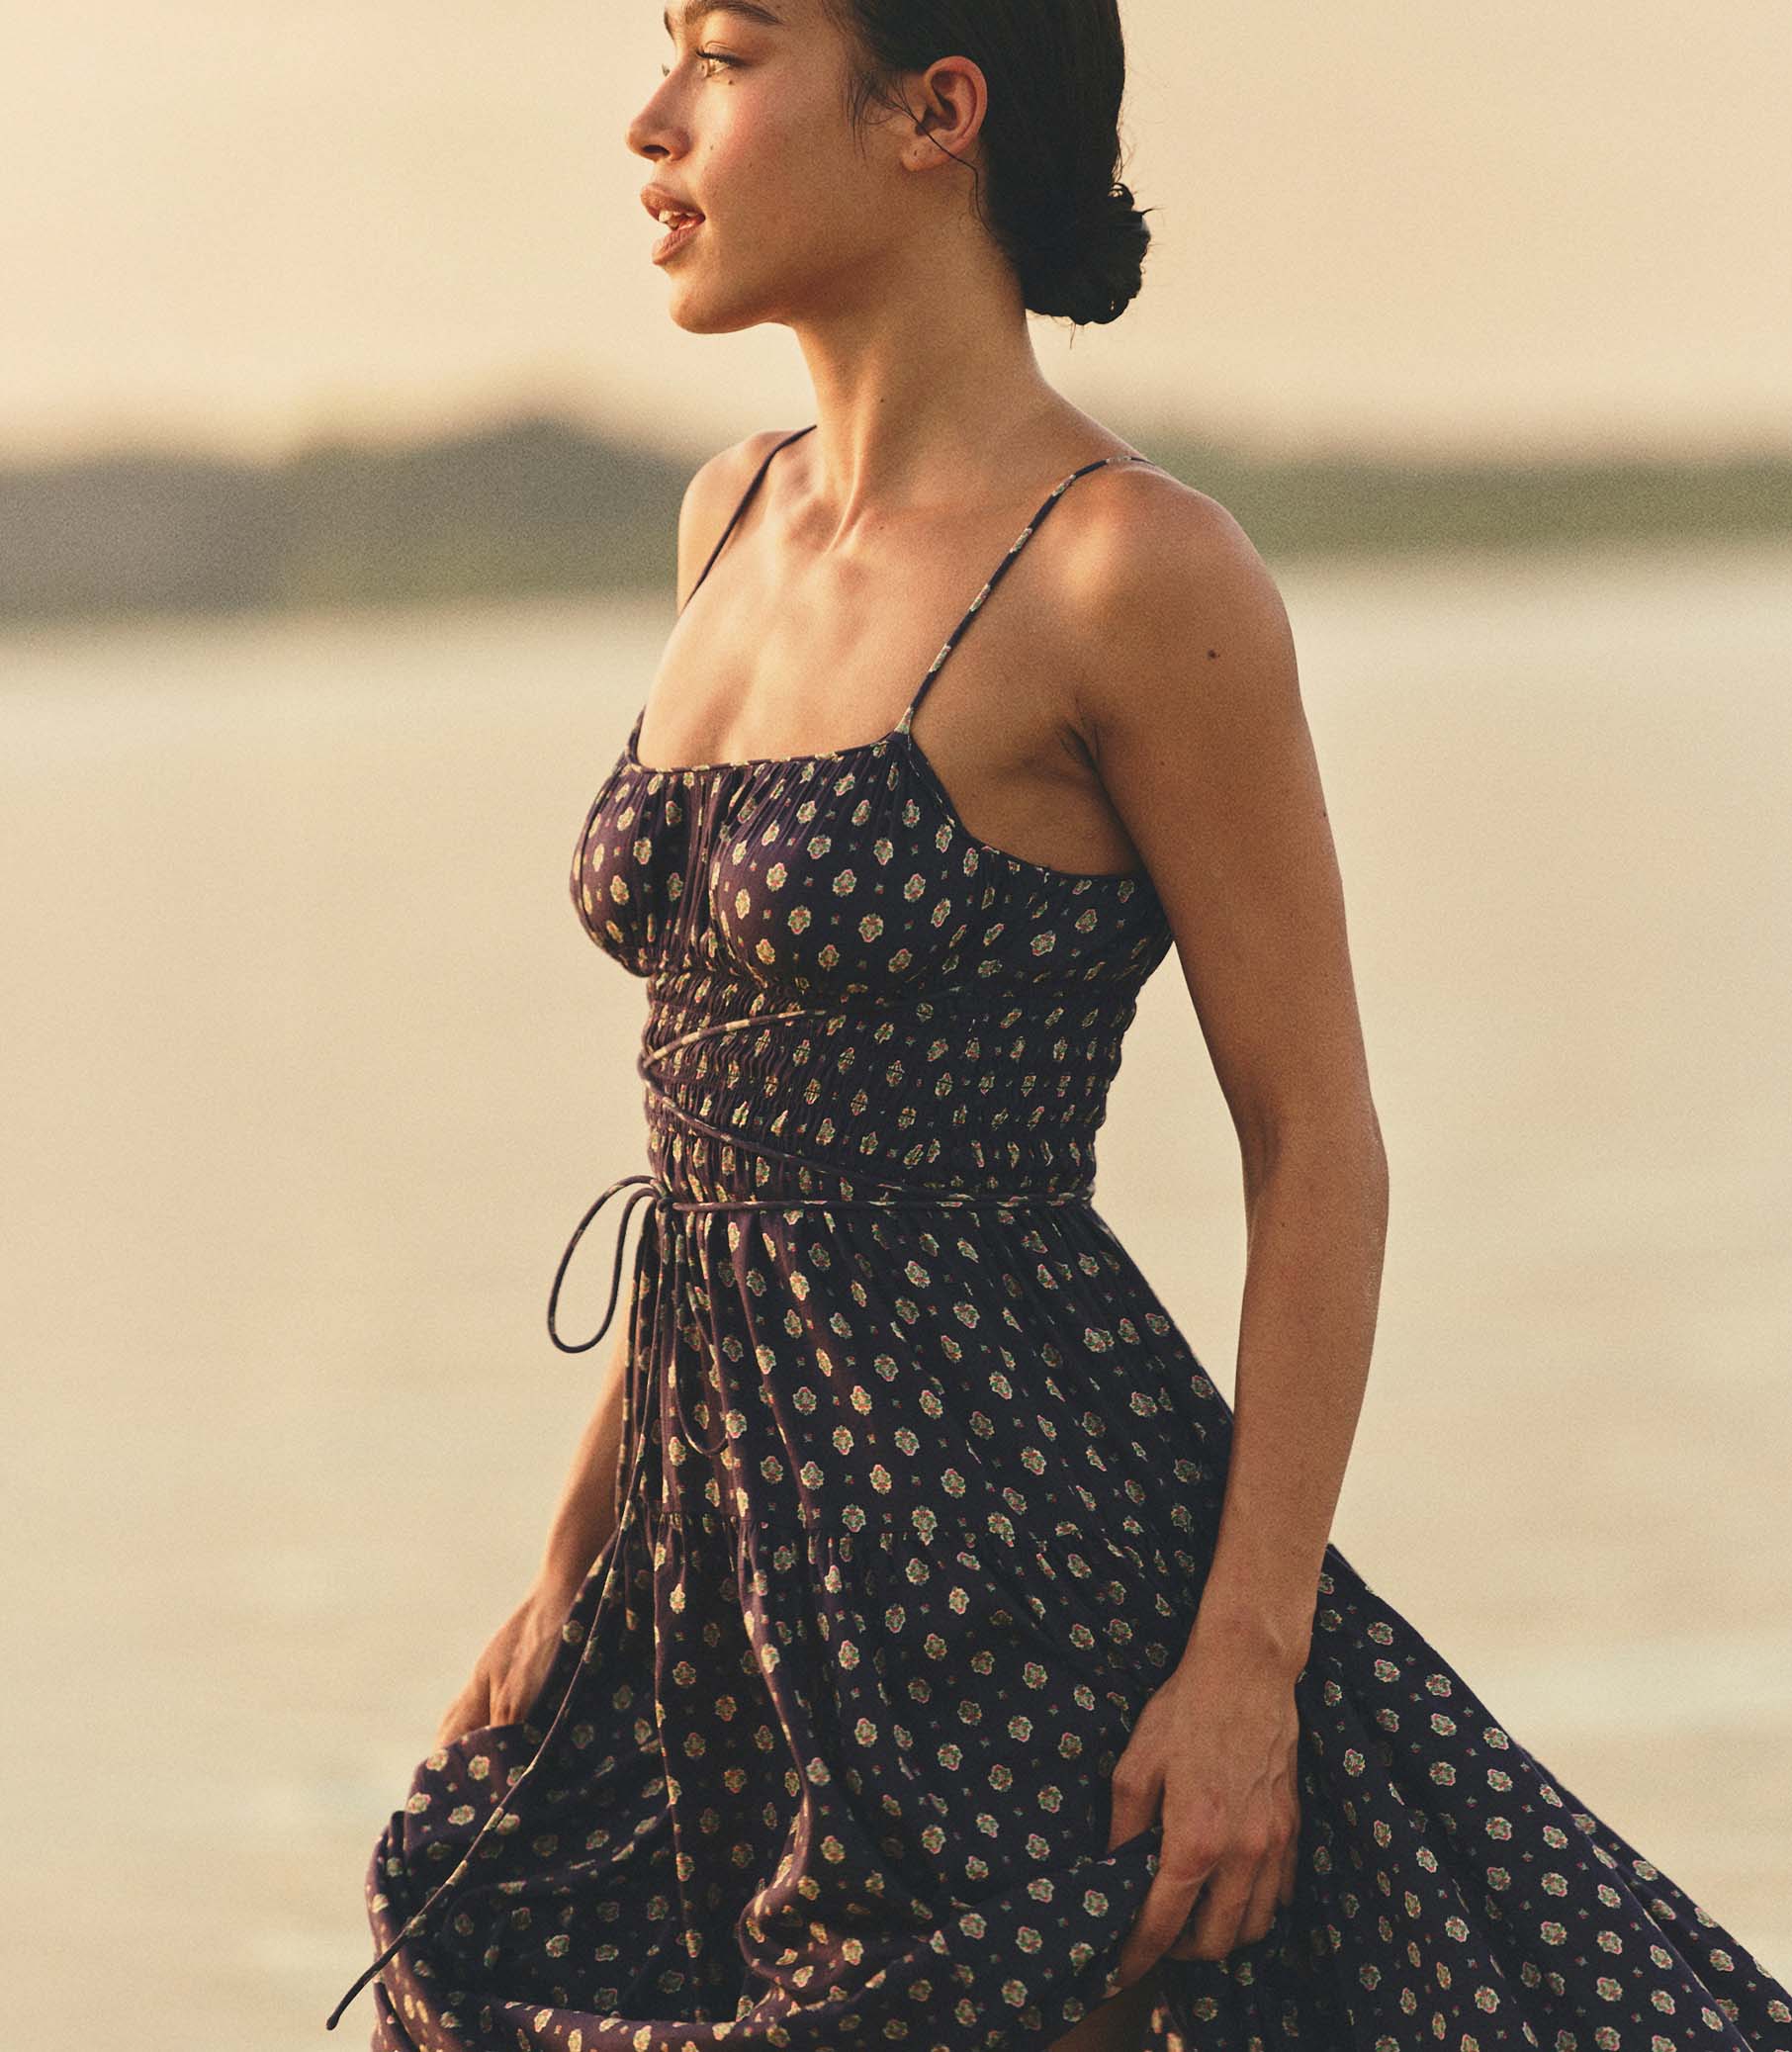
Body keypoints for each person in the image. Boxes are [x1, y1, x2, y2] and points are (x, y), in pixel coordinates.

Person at [327, 2, 1792, 2047]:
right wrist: (577, 1555)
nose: (651, 119)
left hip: (1009, 1562)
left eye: (729, 57)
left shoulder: (1126, 570)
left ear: (938, 113)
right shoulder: (727, 519)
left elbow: (1317, 1142)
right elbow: (718, 1166)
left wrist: (1247, 1666)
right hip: (712, 1560)